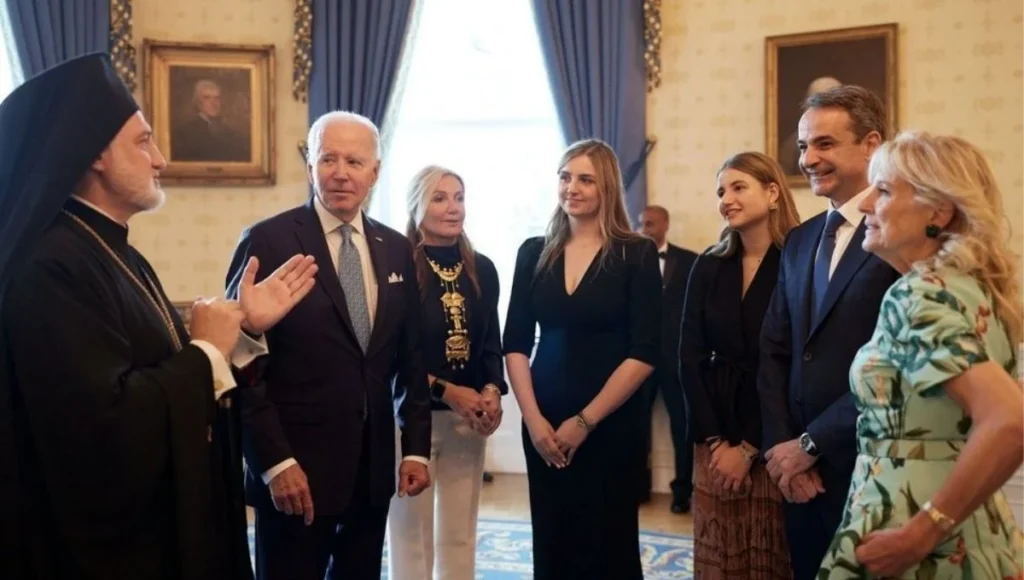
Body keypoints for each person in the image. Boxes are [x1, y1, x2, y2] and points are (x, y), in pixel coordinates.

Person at [0, 53, 317, 580]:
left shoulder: (113, 251)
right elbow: (103, 430)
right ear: (95, 154)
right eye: (143, 141)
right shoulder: (51, 266)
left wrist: (240, 335)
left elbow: (164, 370)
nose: (161, 159)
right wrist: (208, 351)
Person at [225, 110, 432, 580]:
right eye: (329, 159)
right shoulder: (269, 240)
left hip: (371, 470)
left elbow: (410, 358)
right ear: (311, 166)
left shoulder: (396, 247)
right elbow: (241, 360)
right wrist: (273, 462)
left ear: (375, 172)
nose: (341, 172)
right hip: (296, 471)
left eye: (355, 162)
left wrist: (416, 448)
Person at [817, 131, 1024, 578]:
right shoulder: (978, 290)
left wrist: (921, 533)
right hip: (971, 524)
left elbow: (1010, 421)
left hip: (909, 531)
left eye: (885, 190)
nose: (867, 203)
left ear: (939, 210)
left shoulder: (919, 294)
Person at [756, 84, 901, 580]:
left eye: (824, 144)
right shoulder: (798, 241)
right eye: (802, 146)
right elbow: (775, 350)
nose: (809, 158)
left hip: (869, 465)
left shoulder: (899, 231)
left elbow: (894, 359)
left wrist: (812, 445)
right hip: (796, 474)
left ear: (871, 144)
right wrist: (783, 451)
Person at [503, 139, 661, 579]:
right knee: (553, 540)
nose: (572, 187)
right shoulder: (533, 251)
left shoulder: (636, 252)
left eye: (585, 179)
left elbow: (645, 351)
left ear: (606, 187)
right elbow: (514, 341)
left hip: (610, 423)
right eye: (565, 176)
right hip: (543, 421)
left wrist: (586, 421)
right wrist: (534, 421)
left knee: (606, 543)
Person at [679, 152, 800, 579]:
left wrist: (748, 448)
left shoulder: (798, 261)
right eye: (720, 191)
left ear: (772, 193)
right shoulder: (709, 264)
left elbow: (791, 362)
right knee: (719, 556)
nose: (726, 199)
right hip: (715, 429)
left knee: (773, 555)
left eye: (738, 187)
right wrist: (717, 443)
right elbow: (689, 356)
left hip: (775, 434)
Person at [387, 165, 507, 579]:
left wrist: (491, 389)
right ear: (417, 207)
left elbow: (491, 341)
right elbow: (390, 357)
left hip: (467, 420)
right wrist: (447, 390)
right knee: (410, 534)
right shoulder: (396, 267)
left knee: (460, 533)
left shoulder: (483, 268)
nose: (453, 208)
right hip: (409, 419)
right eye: (440, 198)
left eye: (459, 197)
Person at [637, 204, 697, 513]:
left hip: (676, 359)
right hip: (639, 361)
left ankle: (682, 492)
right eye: (641, 224)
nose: (645, 229)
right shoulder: (630, 261)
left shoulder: (690, 262)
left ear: (665, 224)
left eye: (650, 224)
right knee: (635, 425)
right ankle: (638, 488)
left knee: (682, 427)